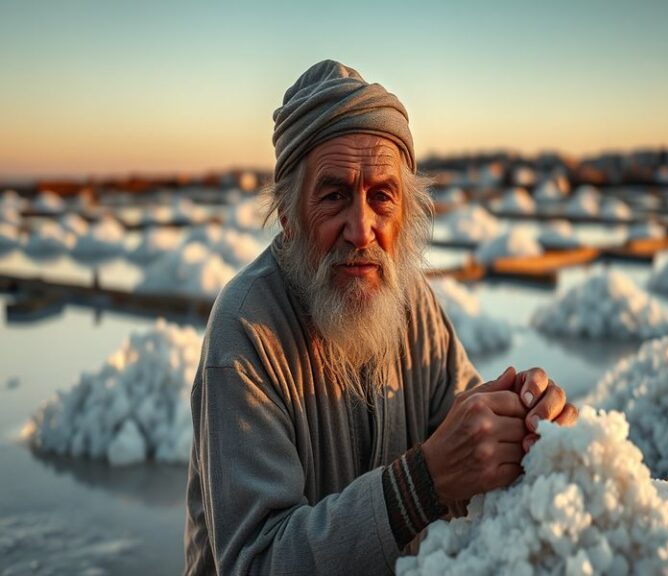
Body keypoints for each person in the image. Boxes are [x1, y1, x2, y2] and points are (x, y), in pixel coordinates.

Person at [184, 60, 578, 575]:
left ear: (406, 211)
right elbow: (256, 562)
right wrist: (421, 483)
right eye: (334, 196)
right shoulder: (246, 330)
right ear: (287, 216)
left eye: (382, 197)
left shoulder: (412, 302)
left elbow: (468, 434)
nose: (362, 229)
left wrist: (524, 424)